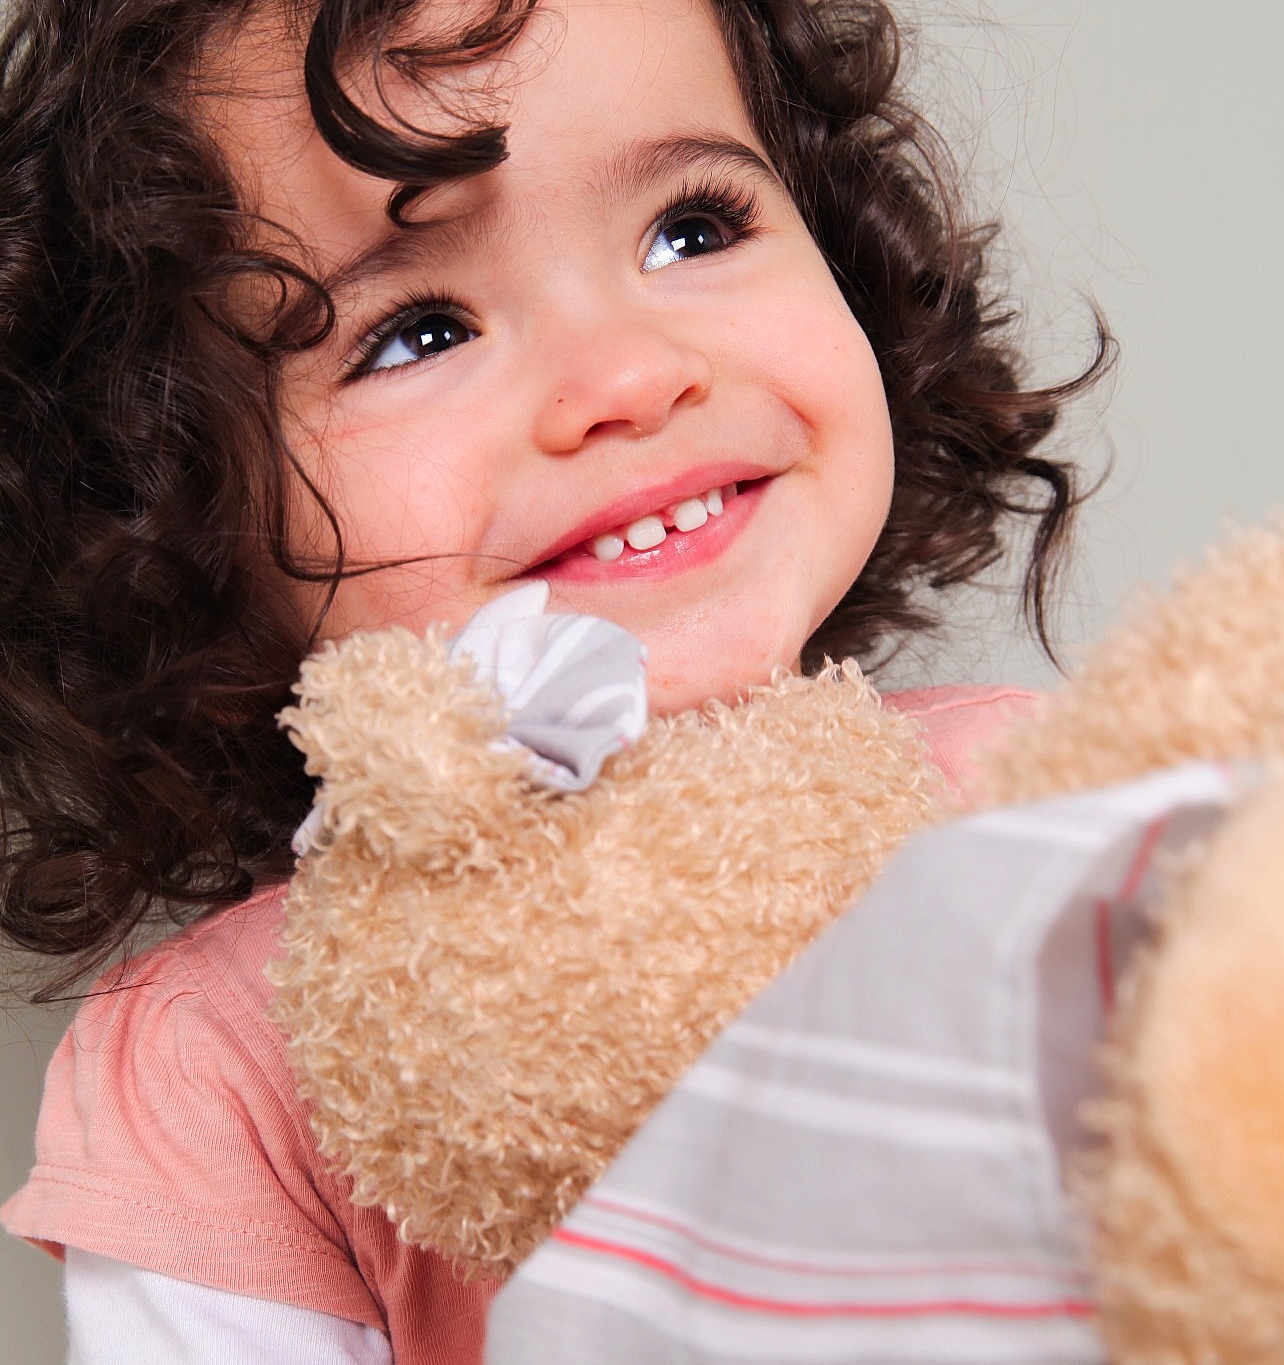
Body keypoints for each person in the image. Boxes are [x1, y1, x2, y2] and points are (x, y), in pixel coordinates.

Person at [0, 0, 1110, 1359]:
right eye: (416, 330)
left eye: (691, 228)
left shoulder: (1057, 810)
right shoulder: (213, 1061)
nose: (630, 378)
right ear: (174, 513)